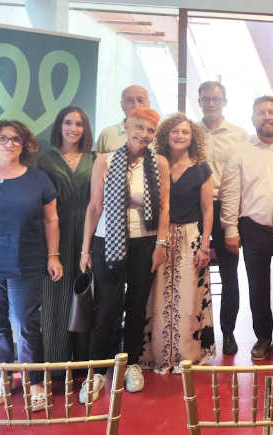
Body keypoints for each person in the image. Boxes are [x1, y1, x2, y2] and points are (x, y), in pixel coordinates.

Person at [0, 120, 63, 412]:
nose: (9, 144)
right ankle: (4, 378)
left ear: (25, 145)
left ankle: (35, 382)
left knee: (25, 324)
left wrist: (54, 255)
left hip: (27, 265)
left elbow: (51, 220)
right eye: (3, 138)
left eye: (16, 139)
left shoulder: (39, 180)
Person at [80, 107, 170, 401]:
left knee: (137, 305)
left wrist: (160, 244)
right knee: (106, 308)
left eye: (150, 130)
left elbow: (164, 208)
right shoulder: (104, 161)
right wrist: (85, 249)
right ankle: (97, 371)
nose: (144, 134)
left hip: (145, 241)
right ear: (127, 127)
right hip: (108, 240)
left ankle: (132, 362)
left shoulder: (159, 163)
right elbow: (95, 206)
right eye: (139, 127)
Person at [220, 96, 273, 360]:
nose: (267, 117)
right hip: (252, 229)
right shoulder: (241, 151)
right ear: (253, 119)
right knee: (257, 286)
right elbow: (231, 193)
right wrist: (230, 229)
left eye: (272, 112)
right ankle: (263, 336)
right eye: (261, 113)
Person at [140, 113, 215, 373]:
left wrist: (205, 245)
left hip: (190, 236)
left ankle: (186, 355)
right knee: (157, 295)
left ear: (193, 137)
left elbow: (208, 210)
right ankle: (157, 355)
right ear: (165, 135)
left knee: (188, 296)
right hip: (157, 237)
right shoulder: (152, 163)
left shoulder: (201, 168)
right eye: (175, 131)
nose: (179, 136)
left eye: (185, 132)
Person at [37, 107, 97, 376]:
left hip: (89, 230)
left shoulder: (95, 158)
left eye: (79, 124)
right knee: (56, 297)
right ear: (59, 126)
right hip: (56, 231)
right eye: (68, 122)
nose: (74, 128)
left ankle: (85, 364)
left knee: (86, 294)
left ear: (86, 129)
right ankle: (56, 365)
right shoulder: (44, 160)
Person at [197, 81, 249, 356]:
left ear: (225, 102)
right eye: (206, 99)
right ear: (199, 101)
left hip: (227, 209)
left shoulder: (239, 134)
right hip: (195, 210)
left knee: (229, 275)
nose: (211, 104)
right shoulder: (191, 132)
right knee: (194, 272)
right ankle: (195, 333)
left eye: (216, 99)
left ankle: (228, 331)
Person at [95, 85, 150, 154]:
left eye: (140, 100)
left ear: (148, 104)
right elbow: (96, 159)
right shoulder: (107, 134)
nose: (136, 106)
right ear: (122, 105)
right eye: (129, 101)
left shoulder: (158, 134)